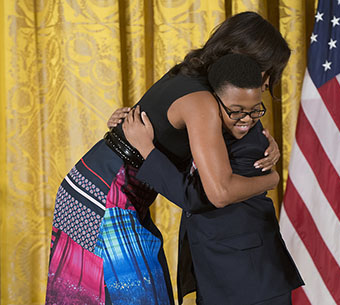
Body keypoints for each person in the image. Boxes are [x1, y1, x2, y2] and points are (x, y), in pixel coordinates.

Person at [46, 11, 289, 305]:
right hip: (103, 196)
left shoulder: (190, 74)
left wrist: (264, 139)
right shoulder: (202, 101)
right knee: (134, 296)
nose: (265, 85)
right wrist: (272, 178)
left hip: (98, 187)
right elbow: (220, 191)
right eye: (267, 74)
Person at [123, 54, 304, 305]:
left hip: (253, 282)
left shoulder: (254, 146)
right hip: (220, 275)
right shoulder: (206, 126)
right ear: (213, 102)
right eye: (237, 111)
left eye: (255, 110)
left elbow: (196, 197)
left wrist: (146, 150)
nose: (247, 120)